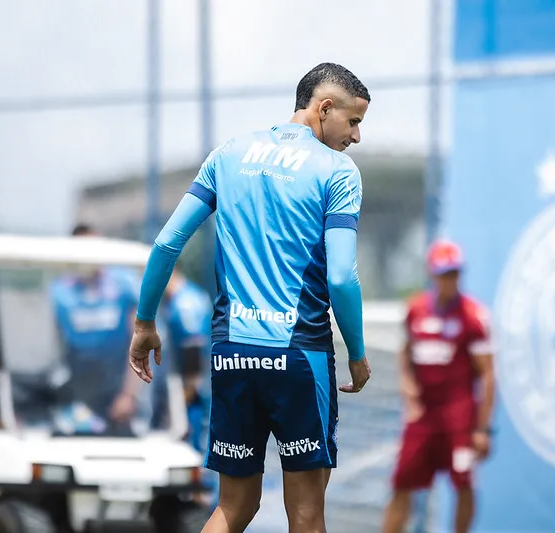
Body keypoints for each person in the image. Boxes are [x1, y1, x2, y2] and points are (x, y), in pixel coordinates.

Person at [128, 62, 372, 533]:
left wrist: (144, 323)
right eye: (354, 121)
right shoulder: (338, 171)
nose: (357, 136)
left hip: (233, 353)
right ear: (325, 109)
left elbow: (165, 244)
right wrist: (357, 354)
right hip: (299, 355)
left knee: (234, 508)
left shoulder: (229, 153)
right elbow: (342, 277)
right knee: (305, 514)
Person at [382, 239, 496, 533]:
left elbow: (488, 375)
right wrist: (408, 393)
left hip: (459, 419)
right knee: (402, 482)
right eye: (444, 274)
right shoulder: (416, 310)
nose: (450, 280)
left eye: (455, 274)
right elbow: (405, 354)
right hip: (423, 418)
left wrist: (482, 429)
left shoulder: (473, 317)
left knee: (464, 483)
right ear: (433, 274)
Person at [50, 224, 148, 433]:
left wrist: (128, 395)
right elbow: (55, 348)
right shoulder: (60, 292)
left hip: (118, 391)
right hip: (78, 394)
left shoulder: (124, 284)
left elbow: (139, 341)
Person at [152, 268, 212, 445]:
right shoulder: (180, 298)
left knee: (192, 447)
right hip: (191, 387)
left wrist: (186, 395)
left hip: (193, 393)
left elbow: (193, 347)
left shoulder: (185, 302)